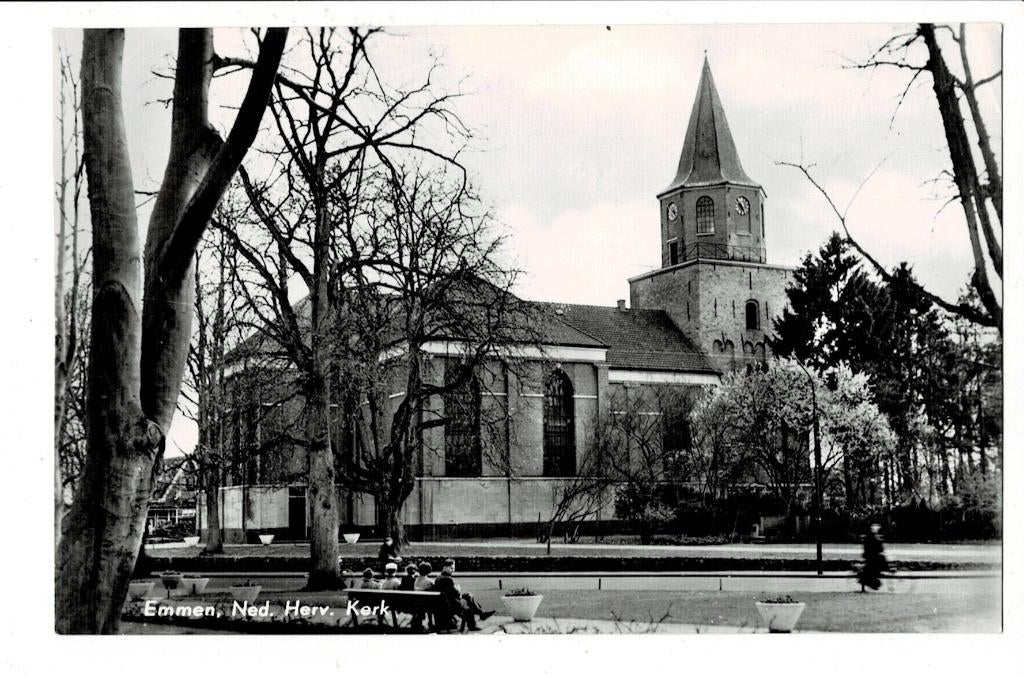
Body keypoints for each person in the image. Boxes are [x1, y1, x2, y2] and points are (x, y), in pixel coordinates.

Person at [442, 558, 493, 624]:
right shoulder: (448, 579)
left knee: (468, 595)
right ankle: (481, 614)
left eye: (454, 568)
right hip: (452, 603)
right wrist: (458, 589)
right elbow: (456, 594)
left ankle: (482, 613)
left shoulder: (440, 577)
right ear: (445, 567)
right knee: (468, 598)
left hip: (447, 602)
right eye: (451, 568)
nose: (453, 570)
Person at [857, 522, 889, 591]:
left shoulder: (869, 537)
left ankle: (870, 581)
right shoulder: (873, 537)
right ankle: (873, 580)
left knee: (877, 562)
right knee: (880, 560)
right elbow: (880, 548)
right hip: (872, 557)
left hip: (869, 557)